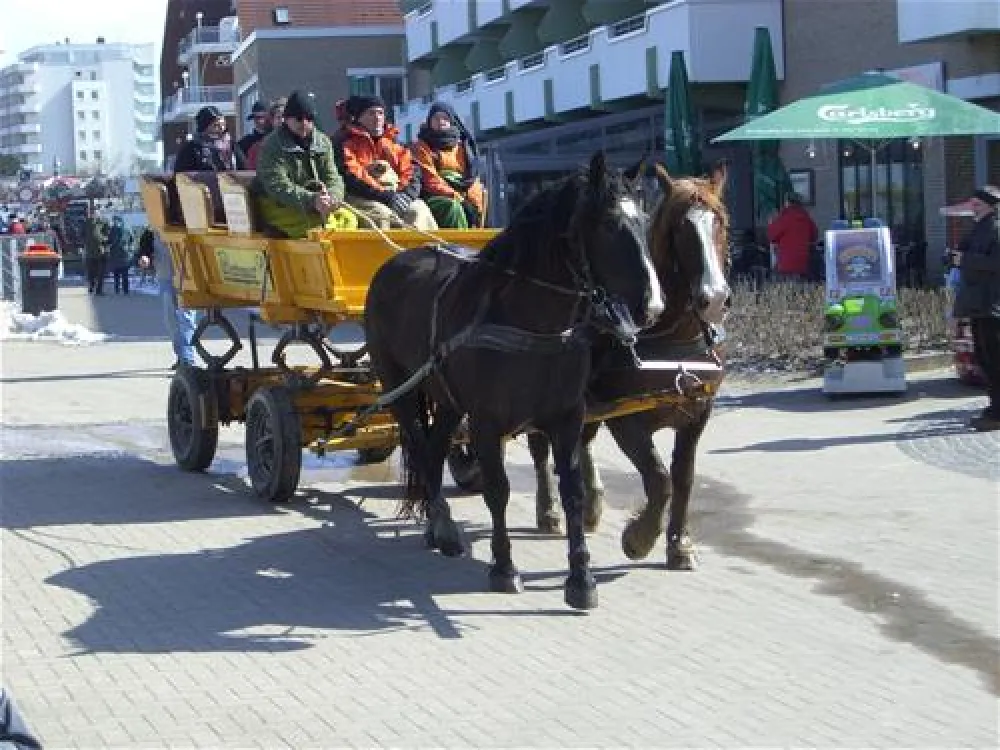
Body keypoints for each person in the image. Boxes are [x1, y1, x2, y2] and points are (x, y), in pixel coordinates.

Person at [254, 90, 357, 238]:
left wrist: (332, 199)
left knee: (349, 219)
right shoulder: (272, 145)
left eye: (309, 118)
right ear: (287, 119)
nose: (304, 123)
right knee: (314, 226)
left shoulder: (323, 142)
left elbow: (333, 177)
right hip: (277, 205)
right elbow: (277, 185)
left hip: (316, 203)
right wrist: (312, 200)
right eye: (298, 118)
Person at [336, 94, 437, 231]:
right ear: (359, 117)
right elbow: (352, 177)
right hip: (360, 197)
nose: (377, 118)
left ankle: (423, 251)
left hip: (396, 195)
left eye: (380, 113)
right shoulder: (345, 142)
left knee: (419, 211)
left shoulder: (394, 142)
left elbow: (412, 171)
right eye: (371, 113)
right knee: (382, 215)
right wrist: (386, 196)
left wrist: (405, 195)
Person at [952, 185, 1000, 431]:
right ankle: (994, 407)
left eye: (977, 205)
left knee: (994, 358)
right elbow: (965, 254)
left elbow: (995, 262)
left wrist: (966, 260)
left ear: (991, 206)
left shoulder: (996, 228)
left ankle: (997, 411)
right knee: (984, 357)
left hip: (992, 303)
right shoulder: (979, 228)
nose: (973, 208)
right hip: (977, 303)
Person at [412, 101, 486, 228]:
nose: (440, 121)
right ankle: (461, 244)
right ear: (429, 121)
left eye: (445, 118)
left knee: (477, 204)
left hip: (464, 193)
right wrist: (456, 196)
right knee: (453, 207)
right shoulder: (421, 146)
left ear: (451, 121)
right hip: (434, 195)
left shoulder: (464, 146)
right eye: (436, 118)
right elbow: (430, 179)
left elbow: (472, 177)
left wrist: (472, 200)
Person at [137, 227, 198, 369]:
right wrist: (144, 257)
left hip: (188, 278)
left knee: (186, 319)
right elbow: (144, 247)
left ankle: (188, 360)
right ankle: (181, 356)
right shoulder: (153, 228)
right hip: (165, 277)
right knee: (171, 320)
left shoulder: (187, 223)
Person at [766, 192, 818, 280]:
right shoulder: (806, 218)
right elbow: (814, 236)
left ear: (787, 203)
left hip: (786, 265)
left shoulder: (784, 218)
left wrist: (771, 224)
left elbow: (771, 236)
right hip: (803, 264)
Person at [173, 106, 236, 173]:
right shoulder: (191, 149)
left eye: (223, 124)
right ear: (204, 128)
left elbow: (244, 169)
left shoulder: (232, 145)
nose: (222, 128)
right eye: (216, 125)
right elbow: (181, 176)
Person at [244, 98, 285, 171]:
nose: (259, 121)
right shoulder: (253, 146)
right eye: (278, 117)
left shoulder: (302, 142)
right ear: (272, 120)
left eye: (262, 117)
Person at [235, 101, 272, 169]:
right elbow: (241, 168)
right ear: (253, 118)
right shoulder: (243, 143)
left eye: (263, 117)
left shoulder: (276, 139)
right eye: (257, 117)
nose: (260, 121)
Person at [83, 205, 109, 295]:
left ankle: (99, 290)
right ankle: (91, 285)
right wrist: (84, 243)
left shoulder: (103, 222)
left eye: (95, 212)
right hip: (89, 252)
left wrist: (102, 239)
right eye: (91, 212)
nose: (93, 214)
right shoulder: (86, 223)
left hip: (100, 252)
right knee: (91, 273)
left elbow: (107, 236)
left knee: (100, 273)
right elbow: (81, 235)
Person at [108, 215, 131, 295]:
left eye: (115, 221)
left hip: (118, 256)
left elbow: (108, 242)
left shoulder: (112, 231)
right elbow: (130, 241)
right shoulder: (125, 230)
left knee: (118, 275)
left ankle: (118, 290)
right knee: (122, 275)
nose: (115, 222)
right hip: (122, 256)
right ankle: (124, 290)